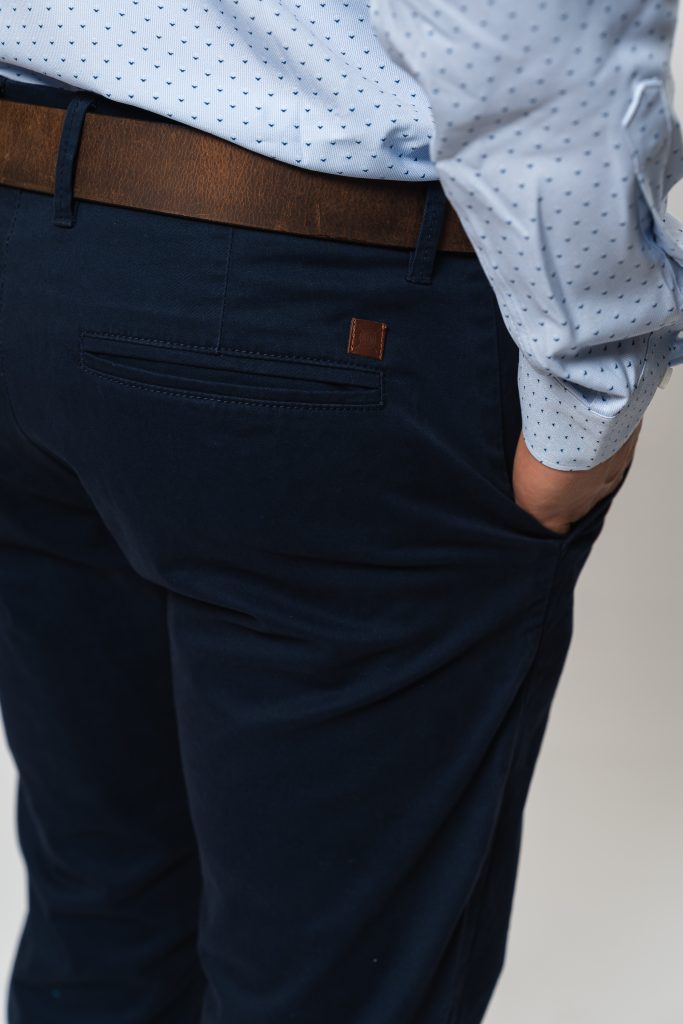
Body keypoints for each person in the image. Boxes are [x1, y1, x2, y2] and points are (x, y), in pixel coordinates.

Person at [0, 2, 680, 1022]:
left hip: (26, 261)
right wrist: (590, 386)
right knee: (323, 978)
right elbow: (524, 36)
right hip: (310, 300)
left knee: (108, 898)